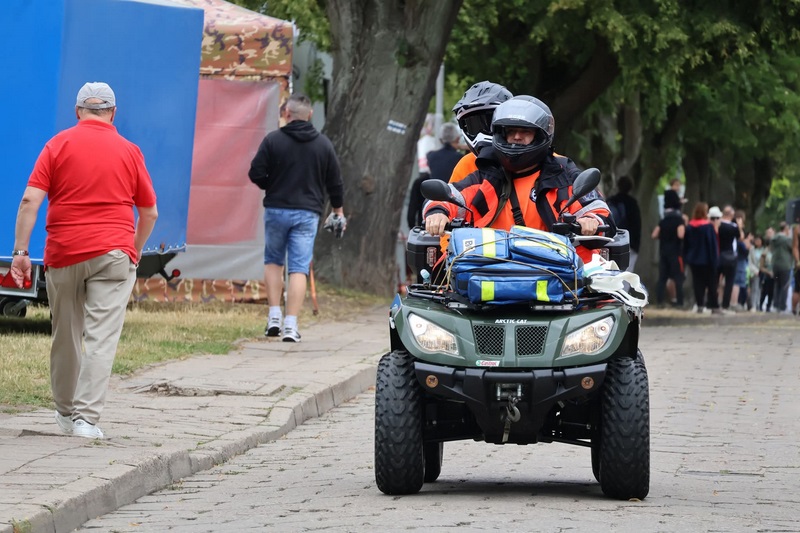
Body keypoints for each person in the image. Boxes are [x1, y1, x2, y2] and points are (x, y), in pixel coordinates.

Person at [9, 82, 158, 439]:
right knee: (101, 337)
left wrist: (20, 252)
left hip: (64, 253)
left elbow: (30, 201)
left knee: (65, 334)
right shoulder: (130, 151)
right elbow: (149, 212)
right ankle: (86, 420)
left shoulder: (57, 145)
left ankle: (64, 413)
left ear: (77, 111)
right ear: (113, 113)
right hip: (113, 253)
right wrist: (134, 248)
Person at [424, 96, 615, 264]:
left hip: (557, 275)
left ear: (539, 135)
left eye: (525, 131)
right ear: (501, 133)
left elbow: (598, 210)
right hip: (489, 272)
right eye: (511, 131)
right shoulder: (487, 175)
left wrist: (590, 220)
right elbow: (451, 196)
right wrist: (438, 212)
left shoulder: (563, 175)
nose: (517, 136)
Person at [248, 94, 345, 343]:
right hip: (307, 213)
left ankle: (274, 317)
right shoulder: (323, 144)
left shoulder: (273, 140)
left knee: (273, 261)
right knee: (299, 268)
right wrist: (338, 210)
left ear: (286, 113)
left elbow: (255, 172)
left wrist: (272, 185)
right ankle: (291, 325)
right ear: (310, 115)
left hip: (276, 209)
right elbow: (335, 182)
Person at [448, 81, 513, 184]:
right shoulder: (467, 164)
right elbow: (453, 193)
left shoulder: (526, 159)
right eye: (473, 126)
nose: (481, 135)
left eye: (489, 124)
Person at [406, 122, 464, 228]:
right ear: (457, 139)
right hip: (453, 211)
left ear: (441, 140)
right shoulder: (461, 159)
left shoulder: (431, 155)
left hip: (429, 212)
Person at [683, 202, 720, 314]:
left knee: (697, 283)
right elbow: (712, 245)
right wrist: (715, 260)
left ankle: (700, 304)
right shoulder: (708, 227)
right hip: (707, 259)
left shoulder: (690, 227)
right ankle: (713, 305)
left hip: (694, 260)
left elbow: (686, 244)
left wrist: (687, 257)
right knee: (711, 283)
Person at [651, 189, 685, 307]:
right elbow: (681, 234)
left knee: (662, 278)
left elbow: (654, 235)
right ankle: (680, 302)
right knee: (678, 278)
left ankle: (660, 301)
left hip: (663, 251)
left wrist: (664, 235)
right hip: (676, 252)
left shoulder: (663, 220)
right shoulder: (679, 219)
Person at [606, 176, 642, 271]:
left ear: (618, 186)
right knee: (627, 271)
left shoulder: (610, 201)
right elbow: (636, 225)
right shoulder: (632, 204)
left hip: (610, 240)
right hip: (629, 241)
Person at [716, 206, 741, 313]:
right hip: (730, 256)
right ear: (731, 215)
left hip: (718, 254)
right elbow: (740, 236)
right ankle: (725, 305)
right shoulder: (733, 227)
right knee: (729, 282)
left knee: (715, 280)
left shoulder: (718, 225)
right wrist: (739, 225)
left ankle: (713, 302)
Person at [770, 221, 793, 313]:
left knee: (777, 285)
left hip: (775, 265)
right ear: (786, 229)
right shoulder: (787, 240)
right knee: (784, 285)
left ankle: (775, 305)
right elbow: (793, 248)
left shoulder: (774, 239)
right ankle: (782, 306)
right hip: (785, 265)